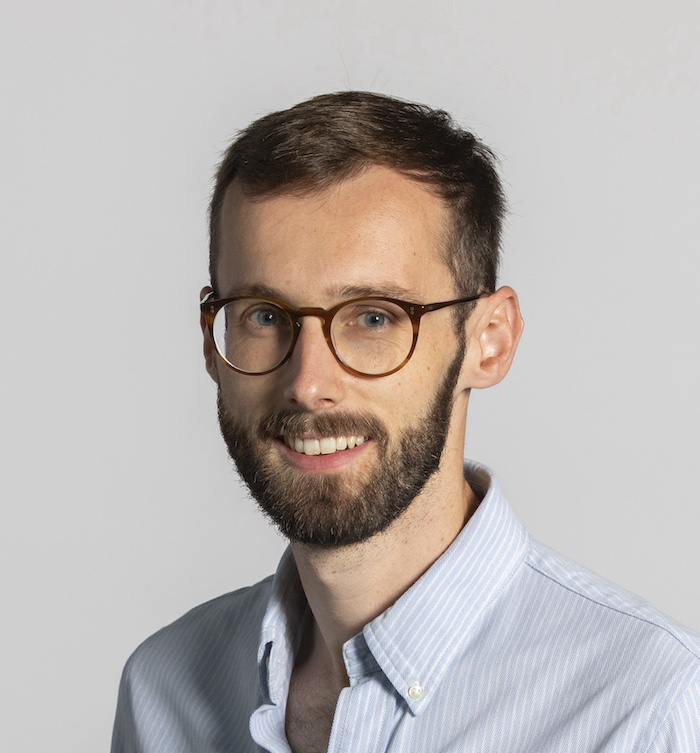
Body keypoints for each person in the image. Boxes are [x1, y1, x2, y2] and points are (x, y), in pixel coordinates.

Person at [111, 92, 700, 753]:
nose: (308, 384)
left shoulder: (648, 709)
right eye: (265, 315)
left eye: (373, 317)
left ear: (490, 341)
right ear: (210, 339)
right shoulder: (162, 690)